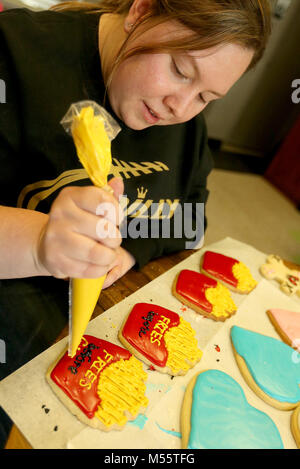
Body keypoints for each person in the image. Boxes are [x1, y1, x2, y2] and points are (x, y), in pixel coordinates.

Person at [0, 0, 272, 447]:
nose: (180, 107)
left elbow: (188, 219)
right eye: (181, 71)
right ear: (141, 10)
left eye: (206, 97)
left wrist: (130, 249)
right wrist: (37, 242)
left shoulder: (186, 124)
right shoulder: (15, 53)